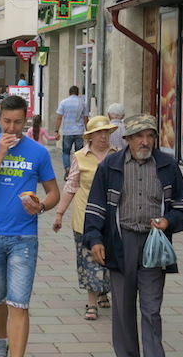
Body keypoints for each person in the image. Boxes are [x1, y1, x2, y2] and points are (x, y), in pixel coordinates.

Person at [83, 114, 183, 357]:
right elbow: (95, 207)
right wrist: (95, 239)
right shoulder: (110, 166)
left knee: (151, 309)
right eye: (139, 136)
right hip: (120, 243)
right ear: (127, 138)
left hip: (154, 245)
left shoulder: (167, 166)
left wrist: (168, 221)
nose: (145, 141)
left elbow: (182, 210)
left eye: (150, 135)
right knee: (122, 311)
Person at [0, 94, 60, 357]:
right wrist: (0, 155)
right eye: (7, 122)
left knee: (19, 303)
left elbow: (54, 192)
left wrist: (41, 206)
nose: (12, 128)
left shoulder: (38, 152)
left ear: (25, 120)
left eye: (18, 122)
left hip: (24, 238)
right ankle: (1, 340)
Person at [52, 116, 118, 321]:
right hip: (85, 217)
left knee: (110, 257)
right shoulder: (80, 156)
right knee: (89, 259)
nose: (103, 137)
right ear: (90, 136)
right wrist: (59, 214)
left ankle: (103, 292)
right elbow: (71, 186)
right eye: (99, 133)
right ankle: (91, 304)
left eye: (106, 132)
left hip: (111, 217)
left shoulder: (117, 155)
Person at [54, 85, 90, 176]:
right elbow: (86, 120)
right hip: (79, 132)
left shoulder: (63, 103)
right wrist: (88, 132)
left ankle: (67, 168)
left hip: (67, 132)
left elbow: (59, 118)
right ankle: (77, 170)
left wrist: (56, 131)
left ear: (69, 93)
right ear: (78, 93)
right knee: (79, 153)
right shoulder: (83, 103)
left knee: (66, 152)